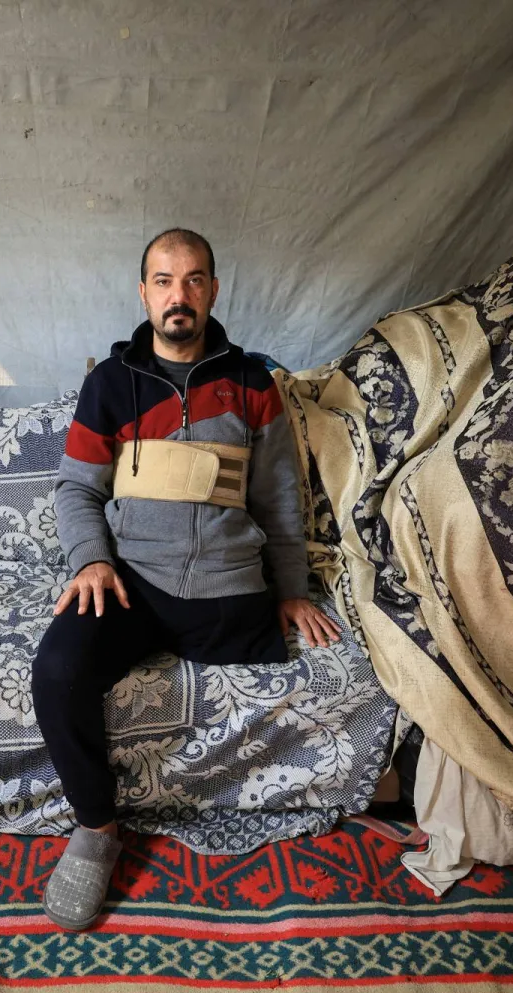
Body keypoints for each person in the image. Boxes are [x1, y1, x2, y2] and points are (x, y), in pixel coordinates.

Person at [32, 228, 340, 931]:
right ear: (144, 293)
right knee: (56, 670)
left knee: (309, 667)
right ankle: (98, 829)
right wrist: (93, 560)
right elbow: (75, 488)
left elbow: (279, 498)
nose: (180, 295)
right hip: (131, 584)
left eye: (194, 280)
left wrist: (290, 587)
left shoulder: (251, 382)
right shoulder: (111, 384)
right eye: (165, 281)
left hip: (230, 589)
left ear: (213, 291)